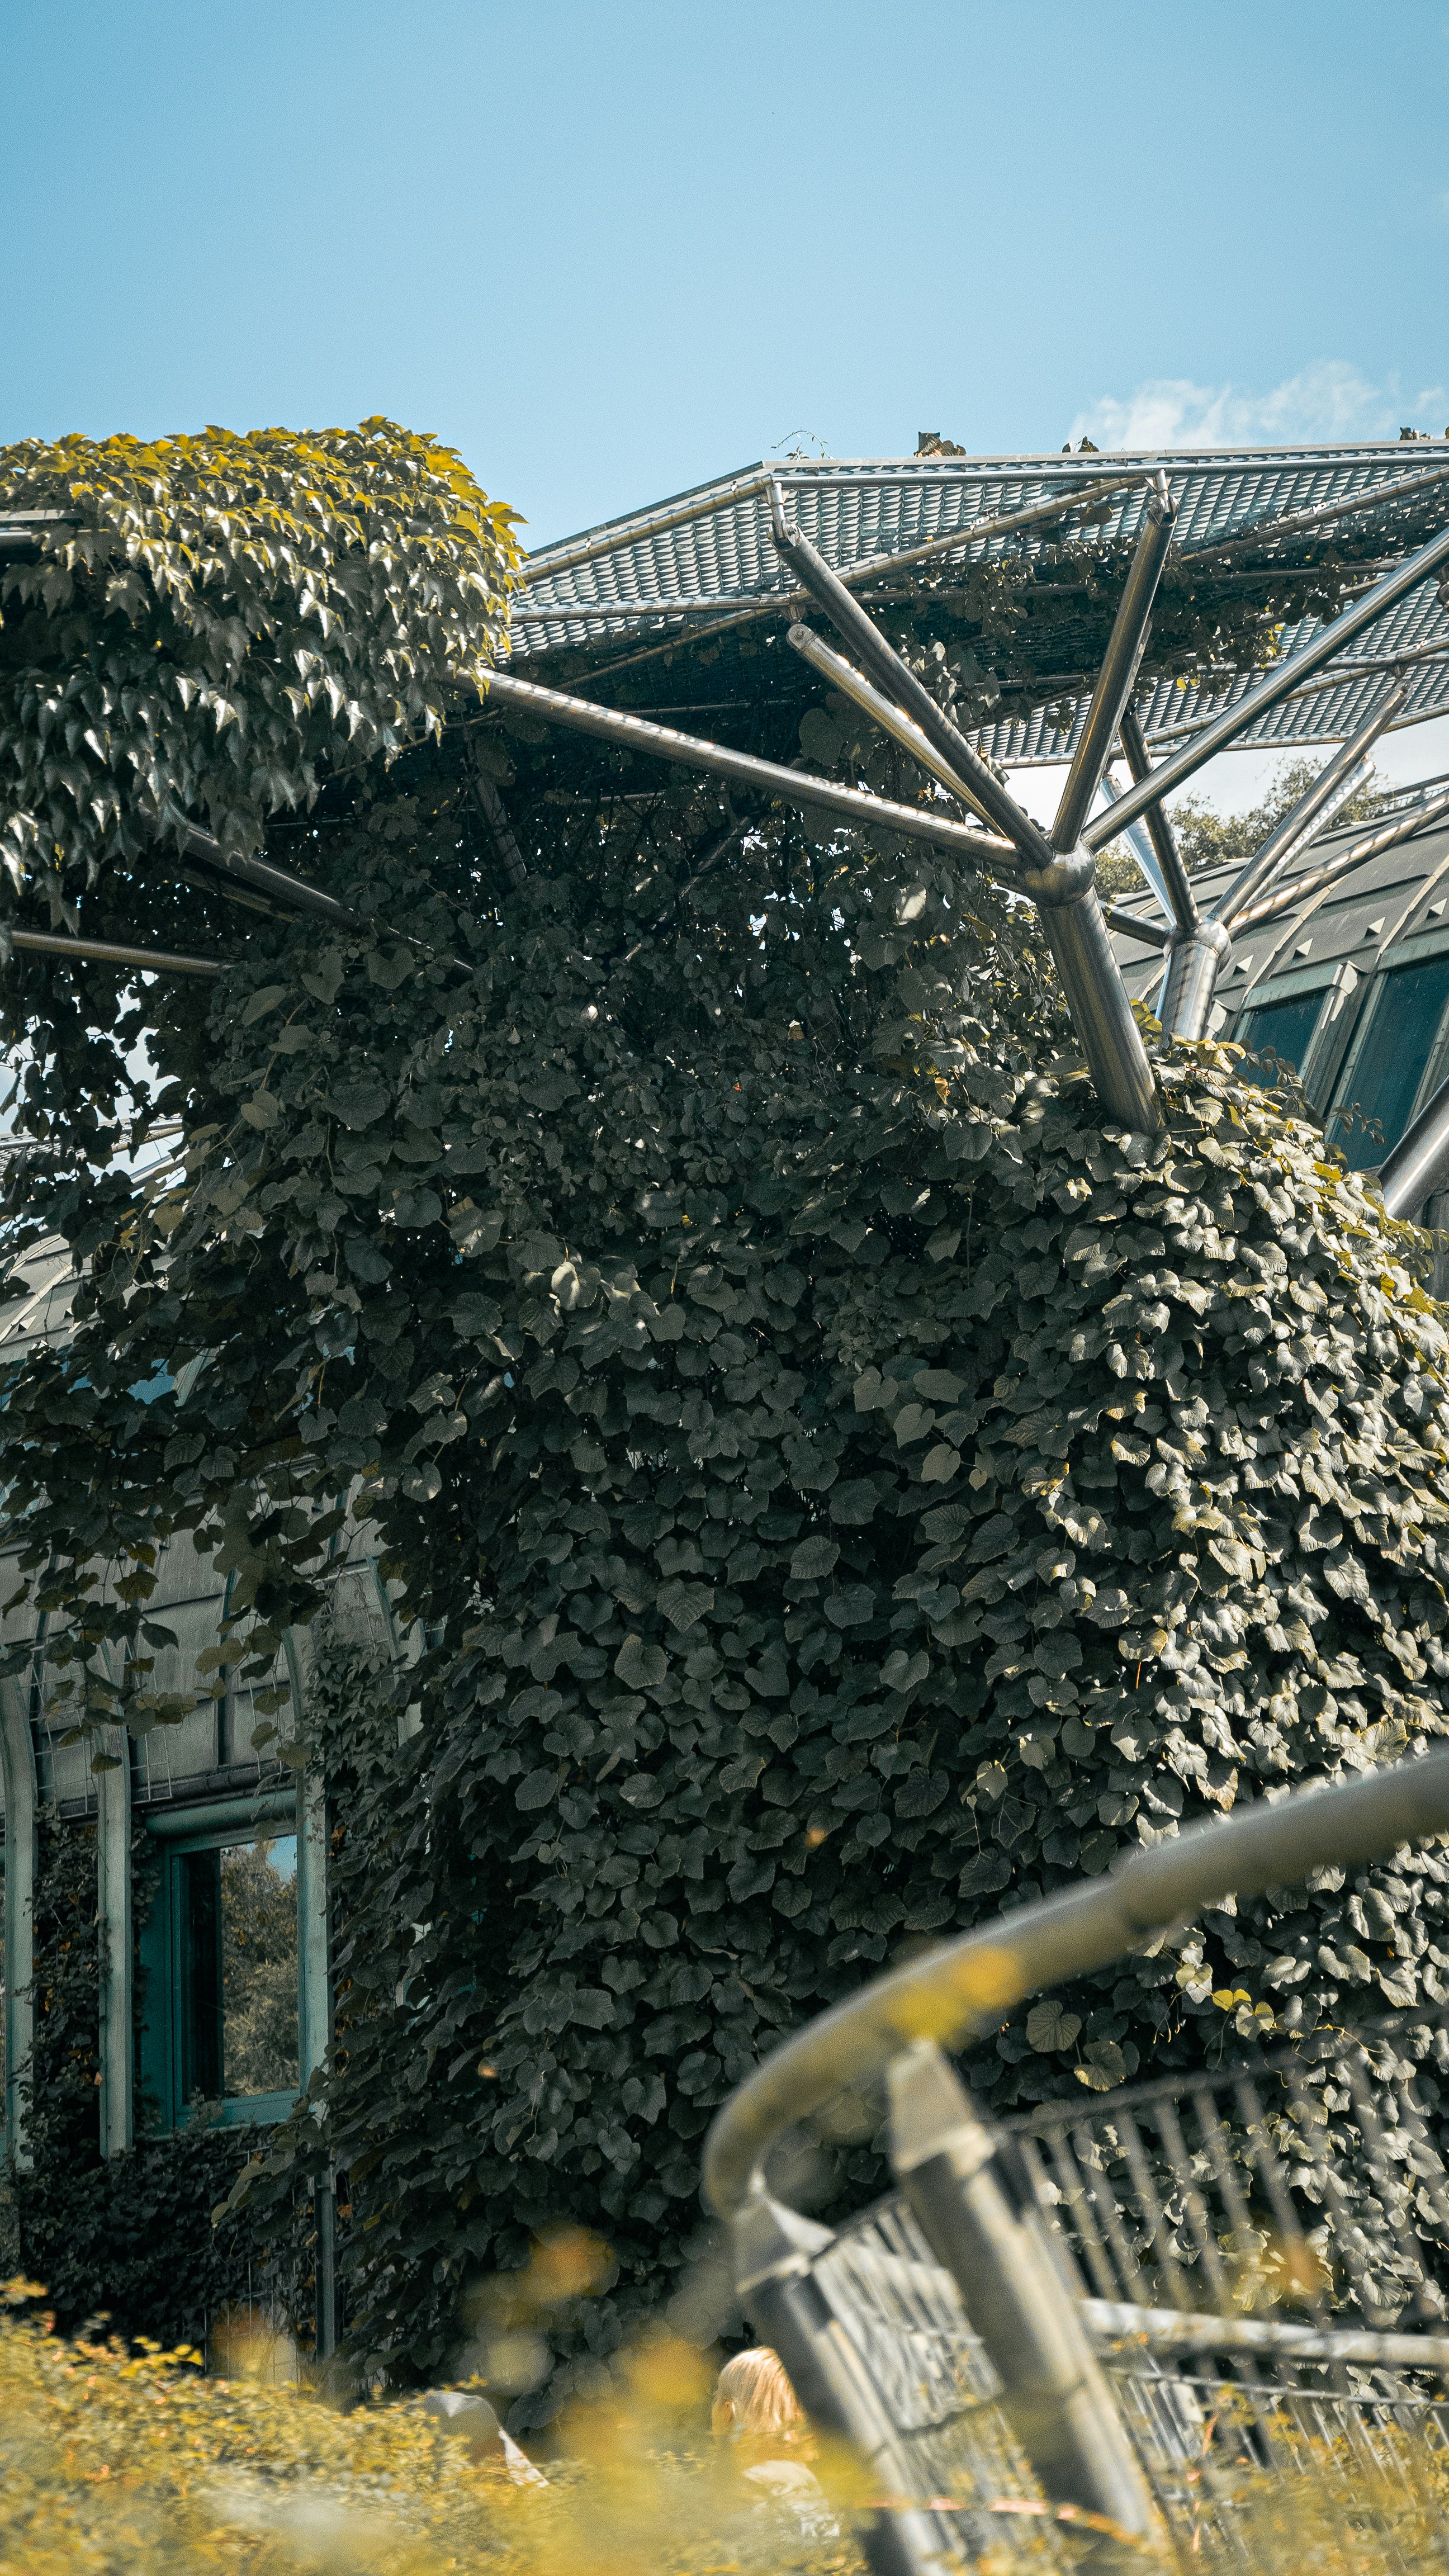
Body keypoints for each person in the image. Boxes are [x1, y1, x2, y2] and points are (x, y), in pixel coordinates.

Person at [712, 2348, 839, 2540]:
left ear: (728, 2413)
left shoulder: (777, 2484)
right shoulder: (800, 2485)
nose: (811, 2426)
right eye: (793, 2410)